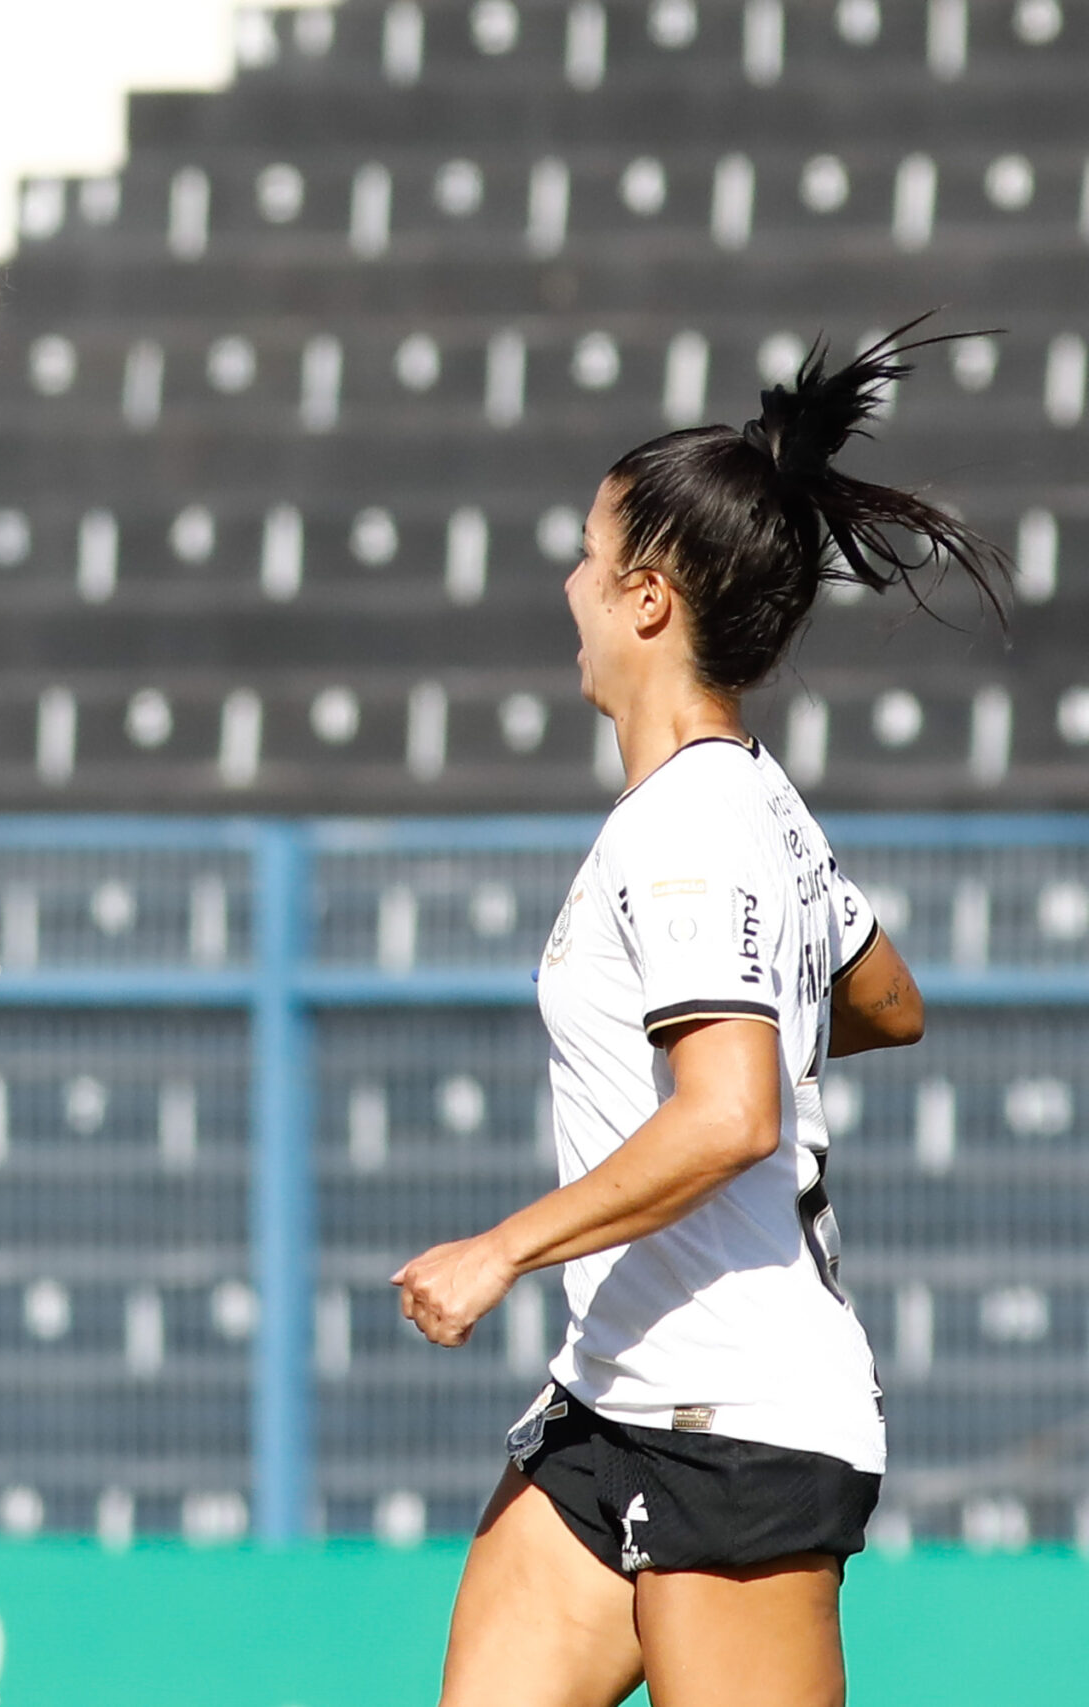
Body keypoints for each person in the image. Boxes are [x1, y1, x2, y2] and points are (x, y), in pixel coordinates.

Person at [391, 327, 1003, 1707]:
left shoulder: (695, 827)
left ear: (649, 600)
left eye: (588, 555)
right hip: (615, 1402)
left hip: (741, 1422)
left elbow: (731, 1114)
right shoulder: (754, 802)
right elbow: (886, 1001)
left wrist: (502, 1250)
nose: (570, 584)